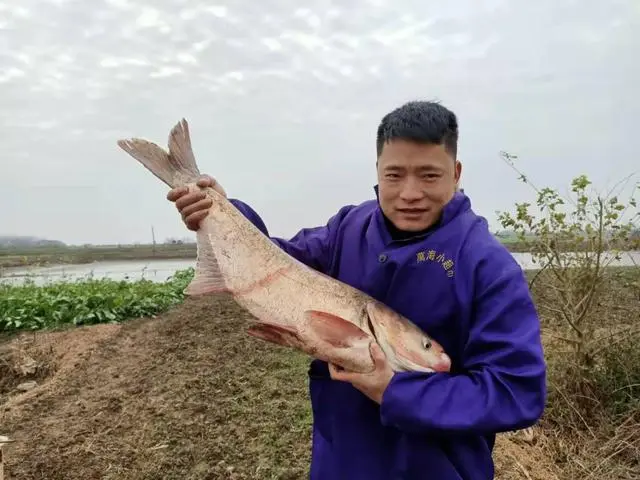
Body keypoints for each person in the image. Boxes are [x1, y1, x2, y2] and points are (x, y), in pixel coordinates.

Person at [166, 100, 547, 479]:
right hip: (340, 459)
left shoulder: (488, 266)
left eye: (429, 176)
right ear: (378, 171)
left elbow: (515, 392)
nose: (409, 193)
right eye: (394, 175)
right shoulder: (350, 227)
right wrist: (224, 211)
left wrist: (396, 391)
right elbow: (280, 264)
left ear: (456, 172)